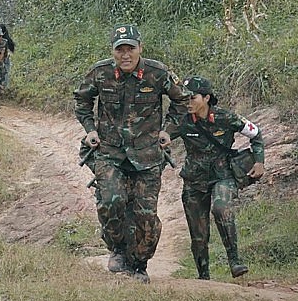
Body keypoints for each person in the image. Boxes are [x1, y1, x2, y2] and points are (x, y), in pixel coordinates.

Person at [73, 23, 190, 283]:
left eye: (131, 49)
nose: (125, 55)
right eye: (120, 50)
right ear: (113, 52)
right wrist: (90, 129)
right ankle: (117, 250)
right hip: (109, 152)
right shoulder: (100, 72)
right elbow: (81, 100)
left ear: (140, 49)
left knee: (145, 215)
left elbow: (182, 101)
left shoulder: (157, 73)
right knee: (112, 200)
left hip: (147, 155)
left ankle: (139, 264)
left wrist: (168, 130)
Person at [171, 76, 266, 280]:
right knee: (198, 234)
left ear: (206, 98)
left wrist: (259, 162)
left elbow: (255, 134)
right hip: (194, 181)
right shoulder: (181, 121)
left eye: (192, 98)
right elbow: (159, 138)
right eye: (185, 99)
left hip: (223, 176)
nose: (188, 103)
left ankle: (235, 260)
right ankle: (203, 277)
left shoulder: (226, 117)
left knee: (221, 208)